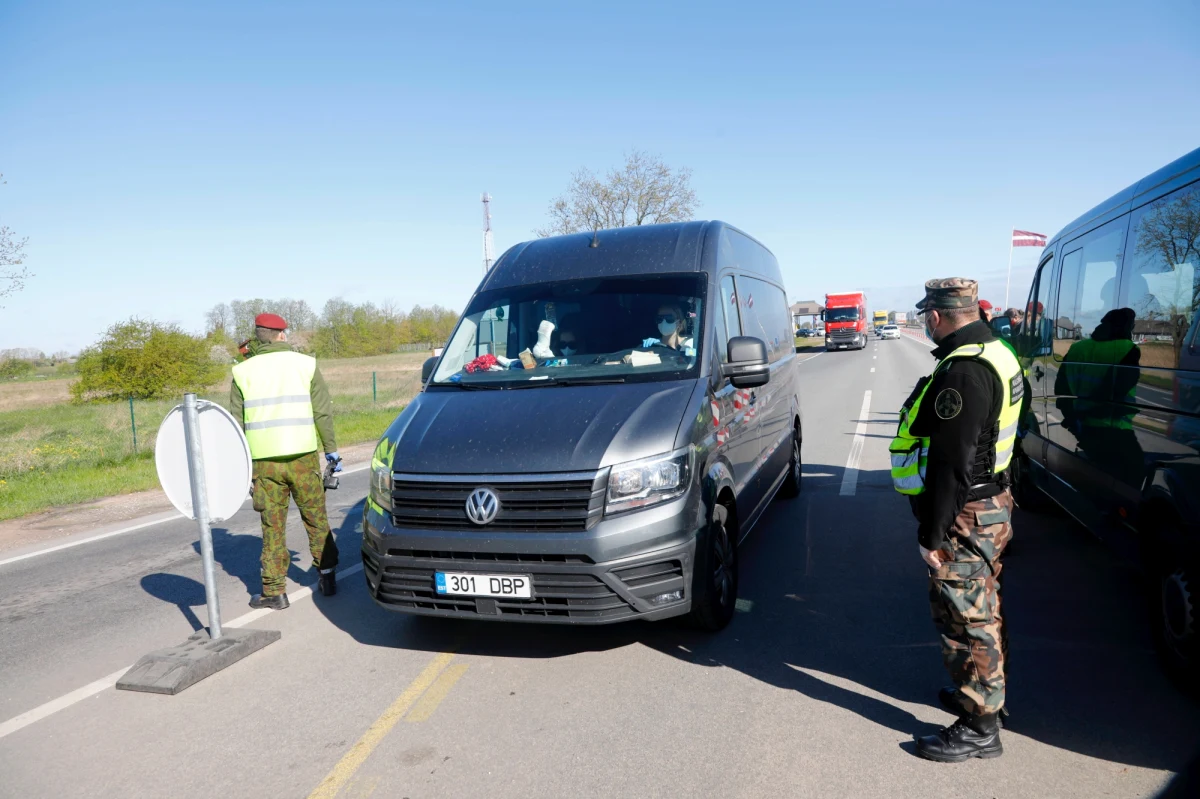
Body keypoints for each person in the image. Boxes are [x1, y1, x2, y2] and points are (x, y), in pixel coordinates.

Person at [890, 278, 1024, 762]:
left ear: (938, 316)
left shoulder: (964, 371)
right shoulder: (998, 351)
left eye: (928, 313)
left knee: (965, 617)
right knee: (983, 605)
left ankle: (980, 725)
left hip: (966, 513)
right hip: (992, 503)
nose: (926, 320)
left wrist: (933, 531)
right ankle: (984, 697)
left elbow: (952, 462)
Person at [230, 313, 342, 609]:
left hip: (263, 463)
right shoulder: (305, 364)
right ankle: (327, 576)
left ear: (258, 336)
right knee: (317, 520)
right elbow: (322, 412)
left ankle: (274, 592)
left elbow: (235, 426)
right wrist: (330, 449)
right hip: (303, 457)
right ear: (281, 334)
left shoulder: (242, 371)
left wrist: (242, 469)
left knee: (272, 525)